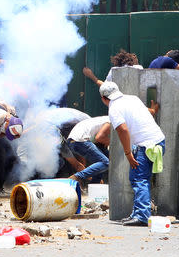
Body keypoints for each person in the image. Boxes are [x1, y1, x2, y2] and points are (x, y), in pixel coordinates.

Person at [99, 81, 165, 226]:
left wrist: (128, 154)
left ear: (104, 98)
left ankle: (141, 216)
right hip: (158, 141)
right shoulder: (132, 98)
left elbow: (122, 130)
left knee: (139, 179)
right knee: (138, 177)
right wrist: (153, 111)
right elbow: (146, 112)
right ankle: (137, 213)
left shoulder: (114, 108)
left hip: (146, 145)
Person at [68, 116, 111, 184]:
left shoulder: (104, 119)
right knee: (106, 162)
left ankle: (95, 185)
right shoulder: (110, 121)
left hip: (74, 141)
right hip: (80, 140)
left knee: (103, 161)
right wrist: (112, 144)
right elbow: (99, 137)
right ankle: (77, 177)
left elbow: (99, 140)